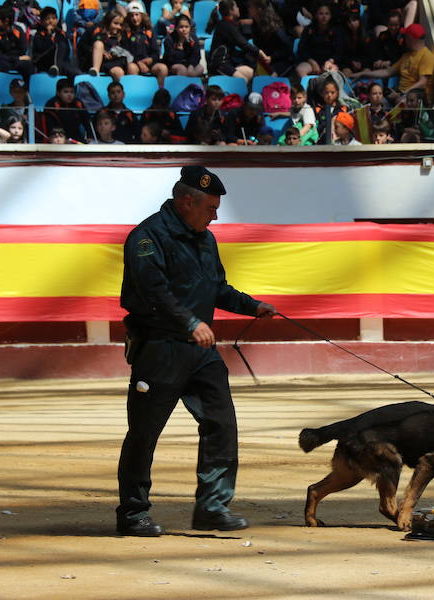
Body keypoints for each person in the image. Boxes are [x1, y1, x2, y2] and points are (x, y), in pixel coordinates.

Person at [116, 166, 277, 537]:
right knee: (144, 434)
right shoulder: (147, 237)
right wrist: (190, 322)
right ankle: (133, 513)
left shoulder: (205, 238)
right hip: (159, 349)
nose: (215, 215)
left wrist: (253, 306)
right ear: (186, 201)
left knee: (221, 424)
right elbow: (154, 291)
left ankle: (212, 506)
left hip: (201, 353)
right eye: (210, 207)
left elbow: (217, 287)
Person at [350, 23, 434, 104]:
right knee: (373, 99)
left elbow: (422, 83)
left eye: (405, 36)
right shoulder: (407, 55)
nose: (404, 38)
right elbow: (387, 72)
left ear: (411, 38)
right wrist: (363, 74)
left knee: (400, 102)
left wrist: (403, 94)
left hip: (414, 97)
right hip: (400, 93)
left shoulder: (427, 56)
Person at [208, 0, 263, 81]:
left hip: (229, 63)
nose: (238, 8)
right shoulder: (226, 25)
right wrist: (260, 53)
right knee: (242, 80)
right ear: (231, 11)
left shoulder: (230, 24)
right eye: (236, 7)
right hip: (219, 64)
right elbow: (243, 44)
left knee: (250, 73)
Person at [123, 1, 168, 87]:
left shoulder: (149, 31)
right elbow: (126, 52)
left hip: (148, 63)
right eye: (132, 15)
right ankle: (135, 92)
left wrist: (150, 60)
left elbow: (156, 52)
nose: (134, 18)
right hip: (134, 62)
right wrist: (139, 63)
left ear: (142, 15)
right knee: (131, 67)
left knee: (162, 68)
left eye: (137, 15)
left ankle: (161, 93)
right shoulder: (126, 32)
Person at [295, 2, 345, 78]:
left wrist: (330, 61)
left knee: (333, 71)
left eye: (327, 14)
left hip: (329, 62)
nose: (324, 16)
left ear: (330, 16)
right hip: (311, 61)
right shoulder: (309, 29)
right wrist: (312, 61)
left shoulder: (336, 30)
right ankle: (306, 89)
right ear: (316, 15)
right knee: (300, 69)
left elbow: (339, 51)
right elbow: (301, 49)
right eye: (321, 14)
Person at [31, 6, 81, 78]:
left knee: (77, 73)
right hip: (44, 62)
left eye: (54, 18)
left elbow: (66, 51)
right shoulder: (38, 34)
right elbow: (41, 49)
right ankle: (57, 68)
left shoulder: (61, 33)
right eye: (47, 19)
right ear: (42, 21)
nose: (51, 21)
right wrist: (48, 35)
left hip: (61, 63)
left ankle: (57, 68)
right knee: (58, 45)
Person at [88, 10, 139, 79]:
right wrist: (103, 52)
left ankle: (131, 89)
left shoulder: (123, 36)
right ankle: (95, 70)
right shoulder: (99, 34)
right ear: (108, 22)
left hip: (119, 61)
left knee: (133, 67)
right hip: (104, 62)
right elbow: (85, 46)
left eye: (120, 25)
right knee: (98, 44)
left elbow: (128, 52)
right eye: (115, 23)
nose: (118, 27)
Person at [0, 5, 34, 79]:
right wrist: (17, 58)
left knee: (28, 66)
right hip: (4, 61)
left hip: (17, 61)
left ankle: (26, 88)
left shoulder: (18, 30)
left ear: (6, 21)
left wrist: (15, 58)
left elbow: (23, 49)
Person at [43, 78, 90, 142]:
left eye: (72, 92)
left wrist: (90, 136)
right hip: (57, 138)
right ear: (58, 93)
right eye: (66, 92)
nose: (69, 95)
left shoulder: (78, 103)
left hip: (76, 138)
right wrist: (62, 139)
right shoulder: (51, 104)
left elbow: (87, 122)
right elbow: (50, 126)